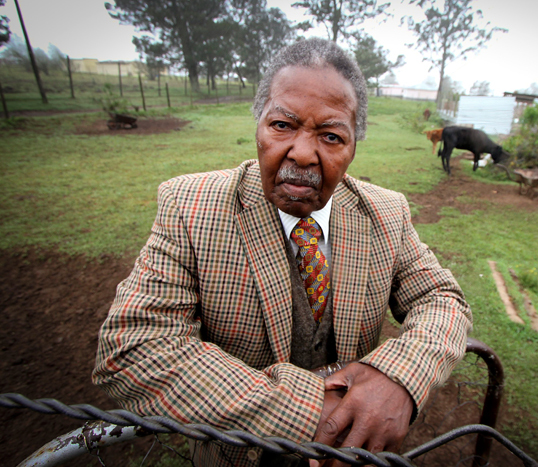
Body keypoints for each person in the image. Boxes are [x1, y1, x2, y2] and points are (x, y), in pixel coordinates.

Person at [93, 37, 472, 467]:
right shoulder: (190, 206)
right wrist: (309, 411)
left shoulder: (385, 213)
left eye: (330, 135)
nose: (303, 153)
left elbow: (443, 299)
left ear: (353, 147)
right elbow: (134, 346)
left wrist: (401, 375)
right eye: (282, 126)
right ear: (258, 125)